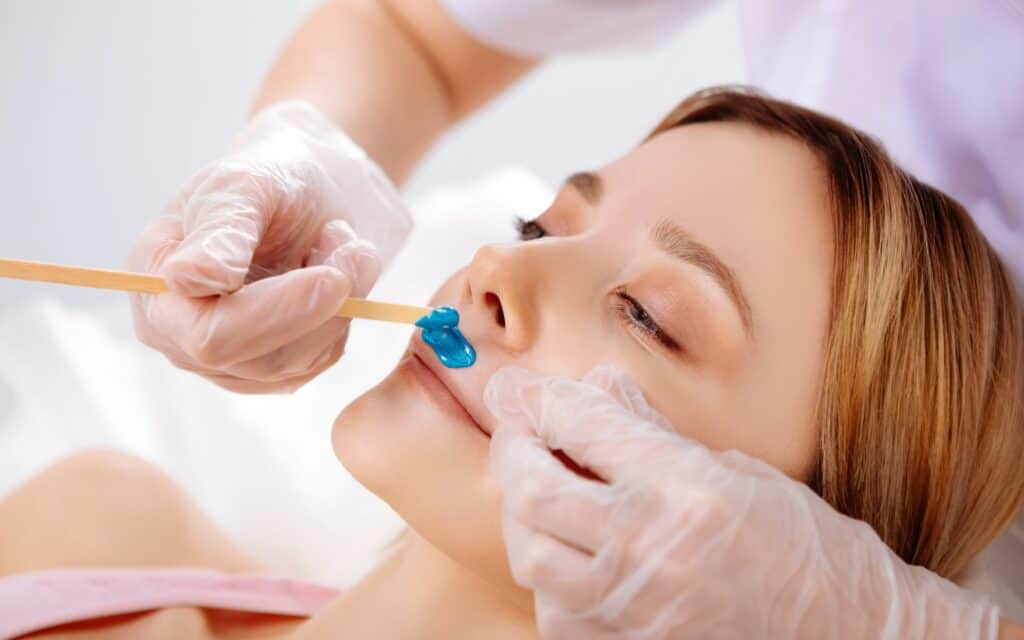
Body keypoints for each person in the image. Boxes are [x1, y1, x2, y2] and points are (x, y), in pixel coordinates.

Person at [123, 1, 1024, 637]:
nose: (495, 268)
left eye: (647, 316)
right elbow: (414, 29)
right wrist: (303, 160)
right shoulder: (107, 523)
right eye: (542, 226)